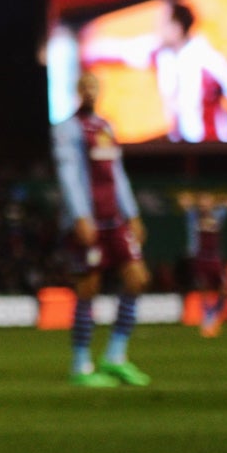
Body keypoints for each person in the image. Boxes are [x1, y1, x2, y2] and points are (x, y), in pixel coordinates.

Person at [84, 0, 227, 142]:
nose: (157, 30)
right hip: (179, 149)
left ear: (177, 28)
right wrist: (79, 48)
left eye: (162, 24)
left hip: (214, 151)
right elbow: (117, 51)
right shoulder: (159, 53)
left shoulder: (210, 60)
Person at [53, 69, 150, 387]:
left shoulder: (106, 127)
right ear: (78, 91)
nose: (91, 90)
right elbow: (68, 175)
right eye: (86, 86)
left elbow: (117, 174)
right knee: (88, 288)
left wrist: (131, 213)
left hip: (114, 220)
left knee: (137, 278)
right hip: (90, 221)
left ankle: (115, 356)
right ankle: (80, 365)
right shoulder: (67, 130)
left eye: (95, 85)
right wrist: (80, 215)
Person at [182, 190, 227, 337]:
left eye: (207, 202)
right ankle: (207, 318)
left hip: (215, 258)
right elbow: (183, 201)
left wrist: (223, 201)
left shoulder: (217, 216)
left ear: (212, 204)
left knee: (224, 289)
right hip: (200, 257)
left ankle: (213, 314)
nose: (204, 205)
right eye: (202, 202)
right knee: (203, 289)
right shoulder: (193, 217)